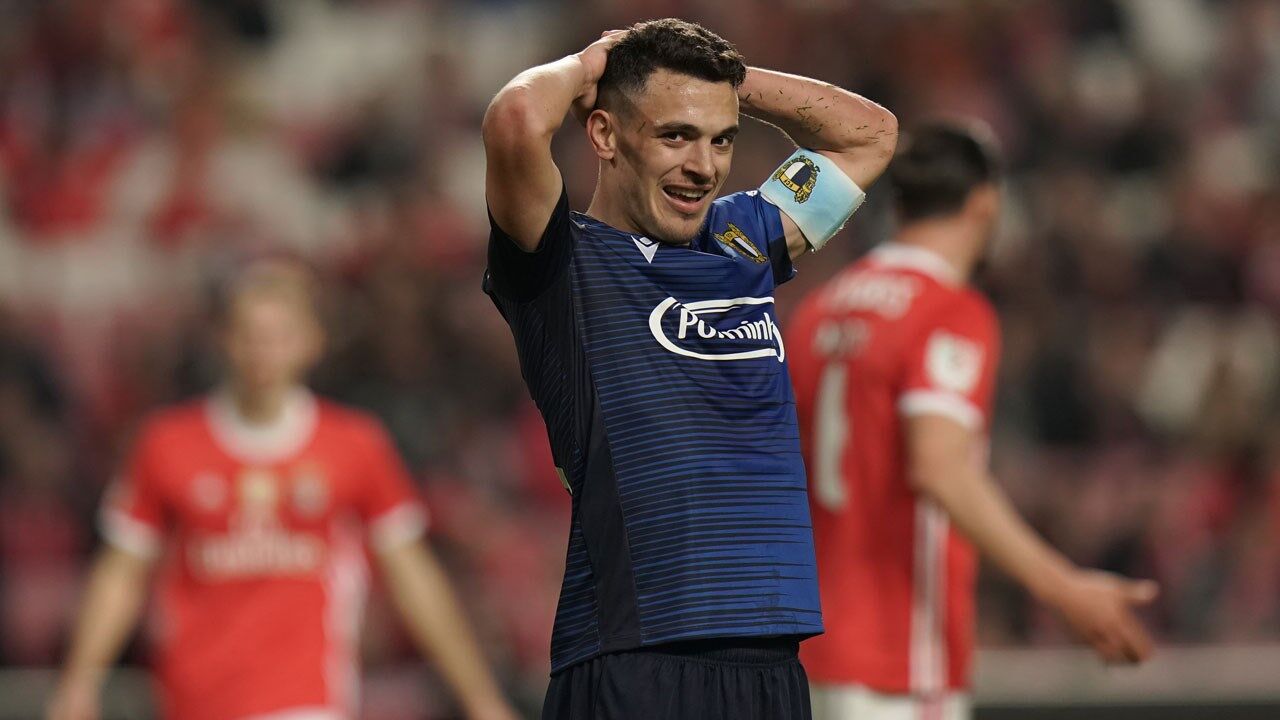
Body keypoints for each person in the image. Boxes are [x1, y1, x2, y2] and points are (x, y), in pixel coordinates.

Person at [481, 17, 896, 720]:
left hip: (772, 661)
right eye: (675, 136)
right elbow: (516, 117)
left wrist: (723, 83)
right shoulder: (560, 263)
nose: (703, 166)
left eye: (721, 139)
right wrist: (595, 65)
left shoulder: (745, 239)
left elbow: (870, 134)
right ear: (605, 134)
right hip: (637, 660)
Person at [786, 122, 1159, 720]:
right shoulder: (949, 312)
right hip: (899, 656)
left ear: (899, 204)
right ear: (986, 203)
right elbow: (940, 467)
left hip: (805, 652)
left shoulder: (818, 310)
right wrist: (1063, 586)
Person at [47, 260, 517, 720]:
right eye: (250, 333)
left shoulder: (354, 445)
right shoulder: (166, 445)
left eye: (279, 334)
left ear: (312, 342)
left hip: (305, 696)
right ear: (224, 339)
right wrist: (78, 684)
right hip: (194, 698)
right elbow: (121, 573)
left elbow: (412, 575)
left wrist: (480, 698)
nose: (263, 350)